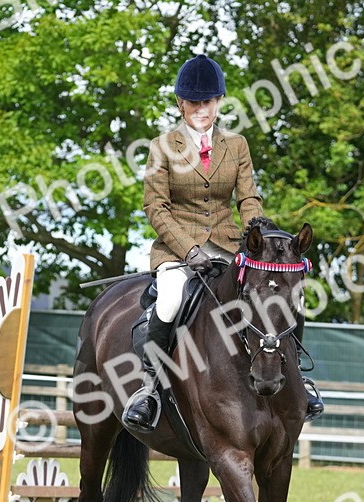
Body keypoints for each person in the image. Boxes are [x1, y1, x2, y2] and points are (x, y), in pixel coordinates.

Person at [123, 54, 324, 432]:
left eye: (209, 102)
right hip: (178, 250)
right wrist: (188, 250)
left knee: (281, 292)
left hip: (231, 247)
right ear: (181, 104)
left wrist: (256, 238)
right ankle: (150, 389)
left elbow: (248, 198)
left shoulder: (237, 145)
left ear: (219, 102)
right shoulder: (161, 146)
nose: (202, 109)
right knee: (169, 300)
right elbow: (156, 206)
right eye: (194, 103)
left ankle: (300, 378)